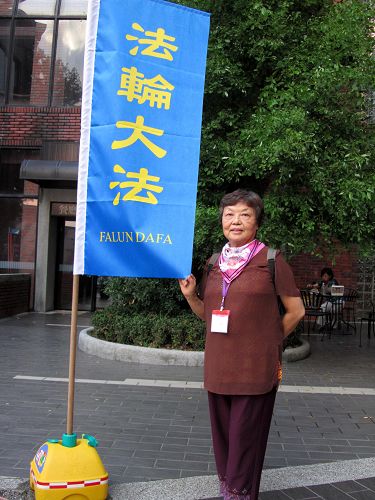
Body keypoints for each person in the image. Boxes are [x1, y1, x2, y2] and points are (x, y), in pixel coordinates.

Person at [179, 189, 305, 500]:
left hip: (254, 369)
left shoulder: (271, 260)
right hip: (219, 366)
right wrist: (192, 297)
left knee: (245, 436)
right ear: (221, 221)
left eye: (245, 215)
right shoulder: (213, 263)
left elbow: (296, 311)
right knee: (223, 437)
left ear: (256, 223)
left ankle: (238, 493)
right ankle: (230, 489)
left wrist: (268, 342)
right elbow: (209, 316)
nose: (236, 221)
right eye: (230, 215)